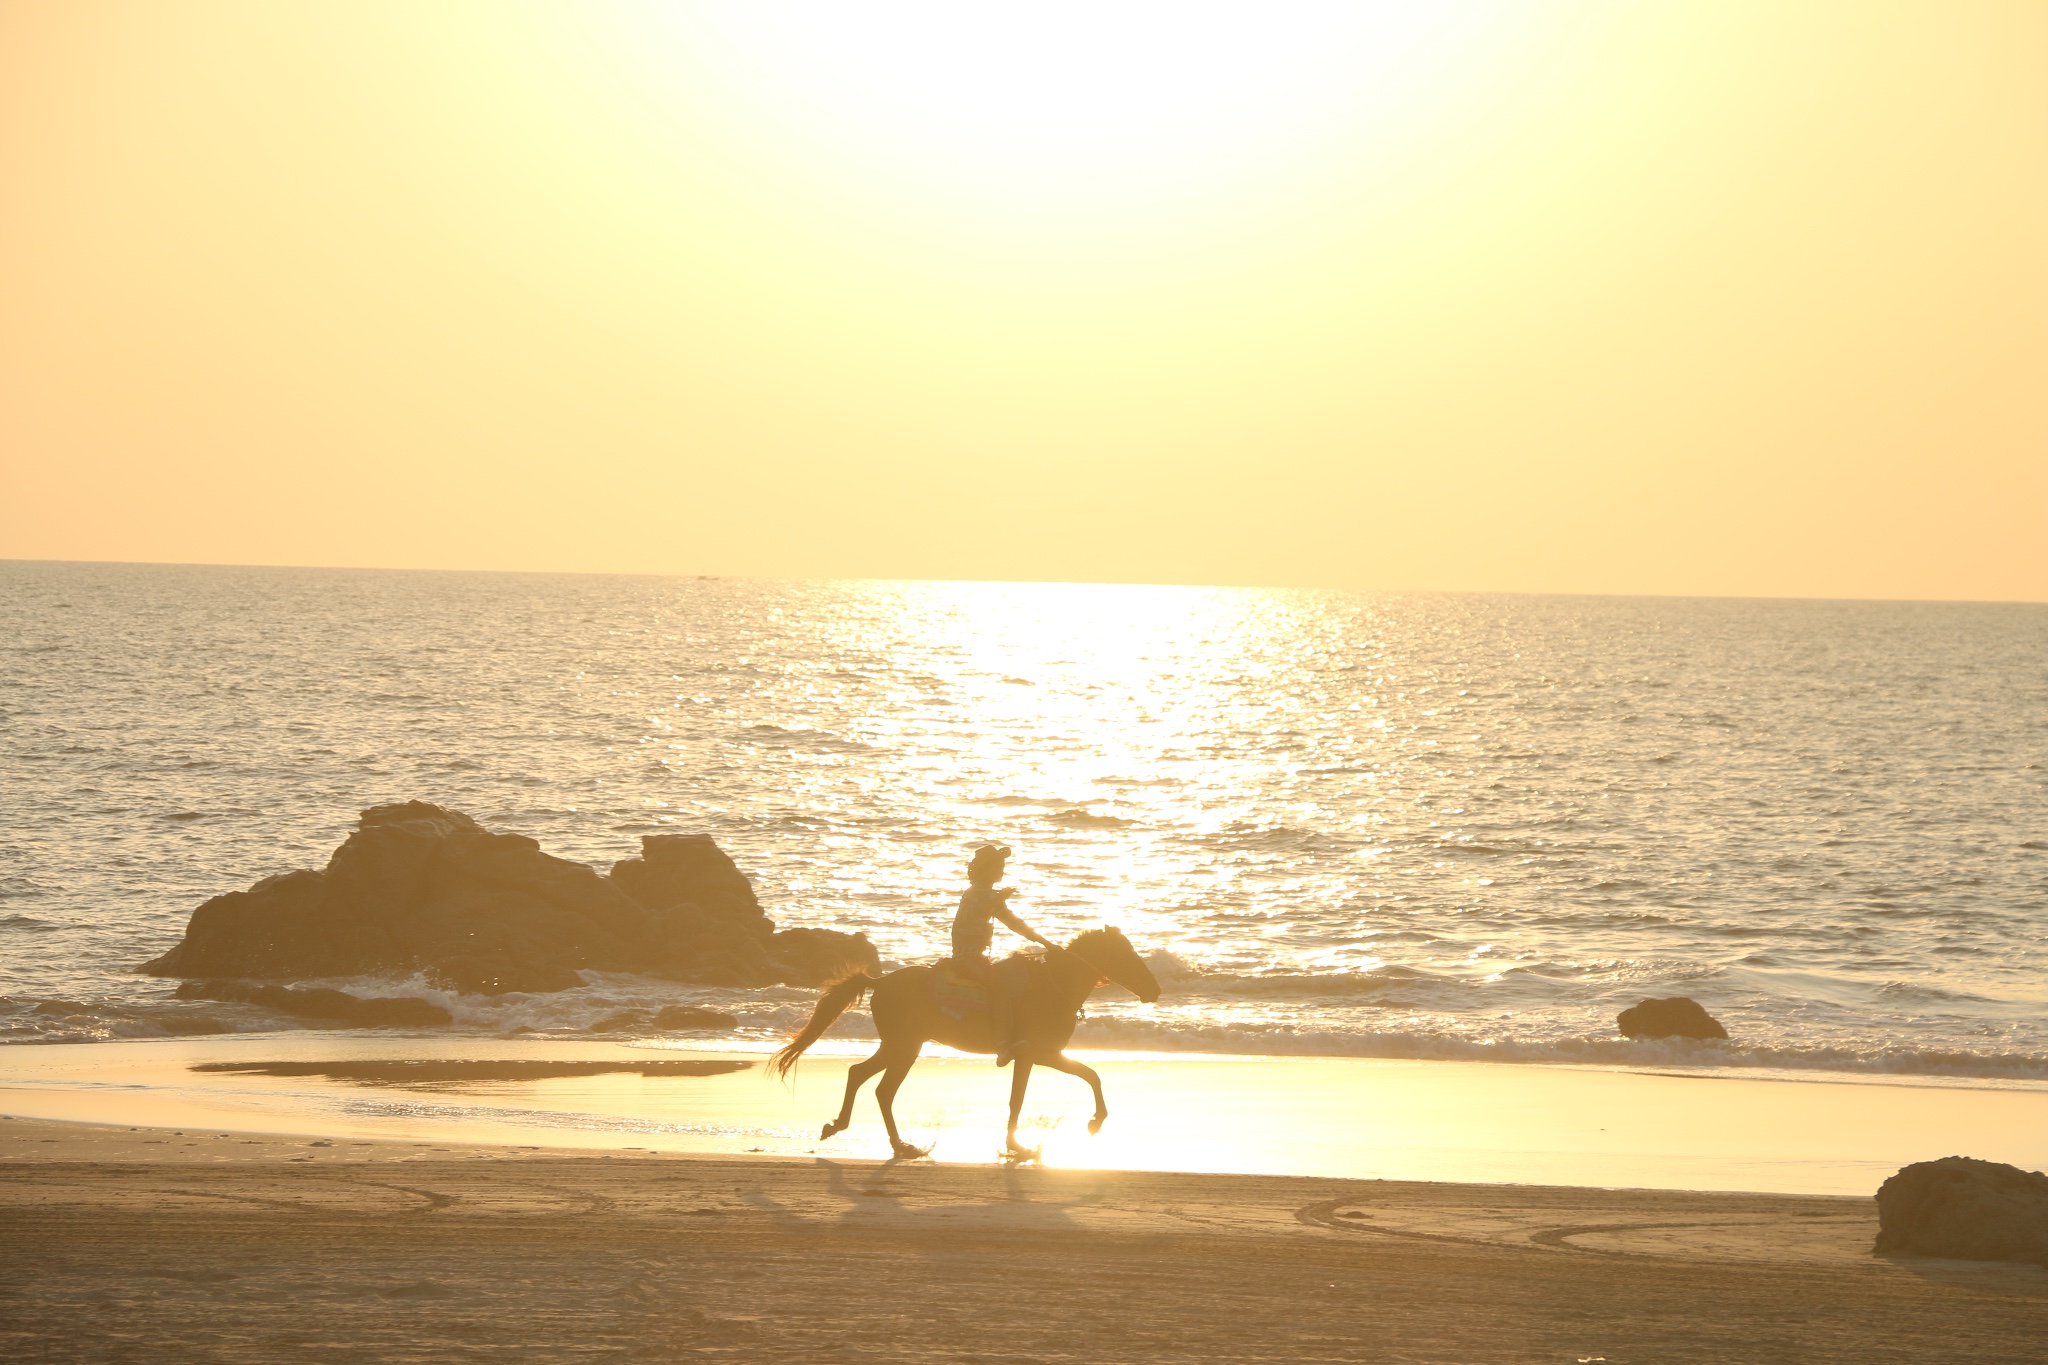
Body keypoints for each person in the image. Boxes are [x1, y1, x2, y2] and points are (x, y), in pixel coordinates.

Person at [950, 844, 1051, 1065]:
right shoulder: (981, 894)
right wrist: (1044, 942)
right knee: (1000, 989)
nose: (1001, 871)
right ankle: (1002, 1045)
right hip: (967, 956)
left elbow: (1004, 917)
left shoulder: (983, 893)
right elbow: (1009, 921)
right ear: (986, 869)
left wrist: (1042, 941)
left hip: (974, 954)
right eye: (998, 867)